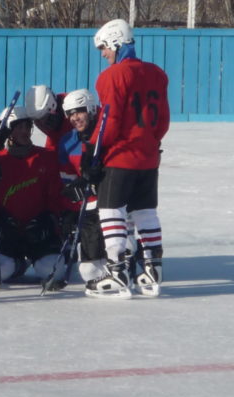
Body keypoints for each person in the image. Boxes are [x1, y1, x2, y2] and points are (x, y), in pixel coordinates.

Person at [86, 19, 170, 299]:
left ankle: (117, 271)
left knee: (110, 211)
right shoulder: (157, 73)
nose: (103, 54)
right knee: (145, 212)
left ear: (114, 42)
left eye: (103, 48)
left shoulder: (111, 77)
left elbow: (110, 120)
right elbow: (163, 121)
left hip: (121, 156)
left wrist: (93, 151)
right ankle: (152, 268)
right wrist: (151, 142)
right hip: (148, 156)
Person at [0, 106, 65, 284]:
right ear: (8, 131)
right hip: (7, 233)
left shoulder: (46, 157)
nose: (24, 131)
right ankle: (17, 265)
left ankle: (37, 259)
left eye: (27, 127)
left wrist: (50, 218)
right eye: (18, 127)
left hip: (38, 231)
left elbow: (55, 195)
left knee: (54, 271)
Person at [57, 89, 109, 289]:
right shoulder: (67, 142)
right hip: (87, 210)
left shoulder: (106, 135)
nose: (74, 118)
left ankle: (131, 256)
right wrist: (70, 206)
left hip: (111, 205)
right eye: (70, 114)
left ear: (90, 109)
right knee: (89, 272)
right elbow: (67, 181)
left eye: (79, 111)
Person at [24, 85, 72, 150]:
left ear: (52, 106)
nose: (41, 122)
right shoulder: (37, 119)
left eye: (43, 117)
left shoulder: (73, 107)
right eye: (37, 120)